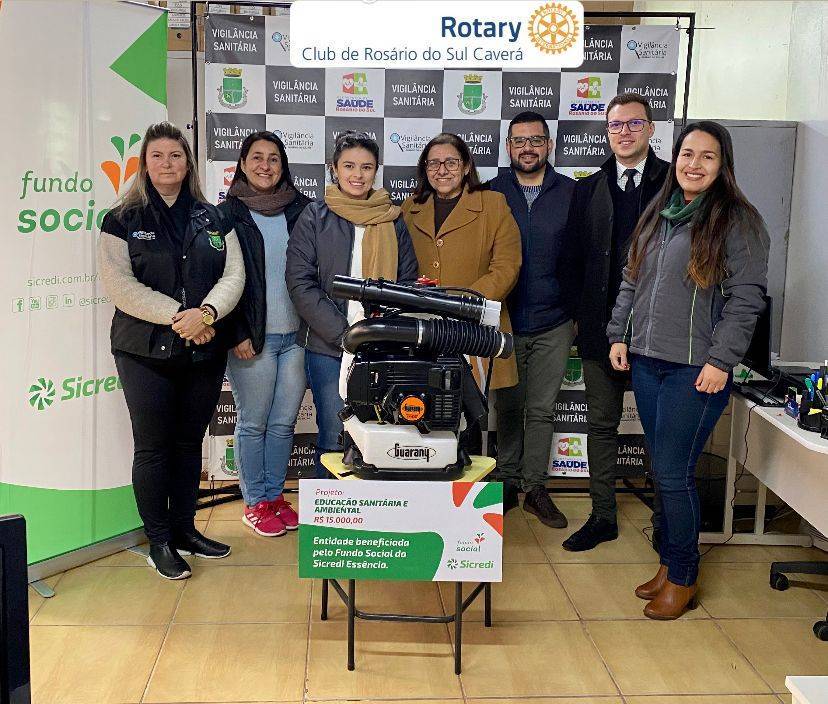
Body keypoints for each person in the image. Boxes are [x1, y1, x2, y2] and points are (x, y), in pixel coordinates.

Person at [607, 121, 769, 619]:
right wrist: (619, 333)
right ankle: (667, 563)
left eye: (707, 156)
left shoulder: (738, 221)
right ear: (674, 158)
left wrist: (722, 360)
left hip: (694, 371)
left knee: (675, 475)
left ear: (723, 165)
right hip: (648, 362)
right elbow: (632, 280)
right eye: (686, 154)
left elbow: (746, 300)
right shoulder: (661, 213)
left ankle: (683, 577)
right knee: (662, 471)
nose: (693, 164)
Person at [98, 122, 245, 580]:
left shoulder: (214, 217)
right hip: (144, 352)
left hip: (203, 350)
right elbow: (119, 285)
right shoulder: (121, 219)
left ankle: (185, 531)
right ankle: (159, 541)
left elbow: (233, 275)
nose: (167, 163)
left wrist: (207, 314)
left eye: (176, 155)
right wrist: (182, 317)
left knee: (187, 444)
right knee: (154, 448)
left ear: (188, 164)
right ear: (145, 163)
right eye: (157, 155)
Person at [560, 93, 670, 552]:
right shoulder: (589, 188)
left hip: (659, 335)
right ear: (607, 132)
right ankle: (602, 516)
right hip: (600, 332)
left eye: (634, 123)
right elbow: (571, 260)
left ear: (650, 129)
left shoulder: (675, 183)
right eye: (615, 125)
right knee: (601, 426)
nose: (624, 132)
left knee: (661, 432)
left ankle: (668, 523)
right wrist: (582, 319)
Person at [286, 132, 418, 479]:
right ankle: (330, 511)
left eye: (366, 167)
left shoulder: (393, 218)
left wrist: (382, 331)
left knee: (382, 433)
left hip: (383, 346)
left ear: (376, 170)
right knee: (334, 434)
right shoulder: (314, 216)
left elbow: (407, 282)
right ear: (334, 169)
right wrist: (345, 335)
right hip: (330, 348)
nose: (357, 175)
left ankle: (373, 510)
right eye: (349, 166)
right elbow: (300, 282)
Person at [401, 133, 521, 464]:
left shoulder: (493, 204)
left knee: (468, 418)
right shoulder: (409, 209)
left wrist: (464, 304)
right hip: (423, 331)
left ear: (467, 166)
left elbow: (507, 267)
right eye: (433, 163)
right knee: (421, 417)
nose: (442, 170)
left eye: (451, 162)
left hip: (474, 329)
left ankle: (465, 492)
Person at [219, 131, 310, 538]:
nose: (265, 165)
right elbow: (219, 280)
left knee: (283, 424)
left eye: (274, 158)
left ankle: (274, 497)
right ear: (242, 164)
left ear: (283, 165)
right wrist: (236, 331)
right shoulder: (226, 214)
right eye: (256, 157)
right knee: (254, 423)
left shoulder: (303, 210)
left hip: (297, 339)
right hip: (251, 339)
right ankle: (255, 501)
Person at [486, 111, 575, 527]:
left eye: (536, 140)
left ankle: (535, 487)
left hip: (555, 321)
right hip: (504, 321)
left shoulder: (572, 193)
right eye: (519, 141)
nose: (527, 148)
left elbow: (583, 257)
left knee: (541, 409)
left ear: (549, 145)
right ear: (508, 147)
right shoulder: (491, 193)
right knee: (507, 406)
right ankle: (506, 482)